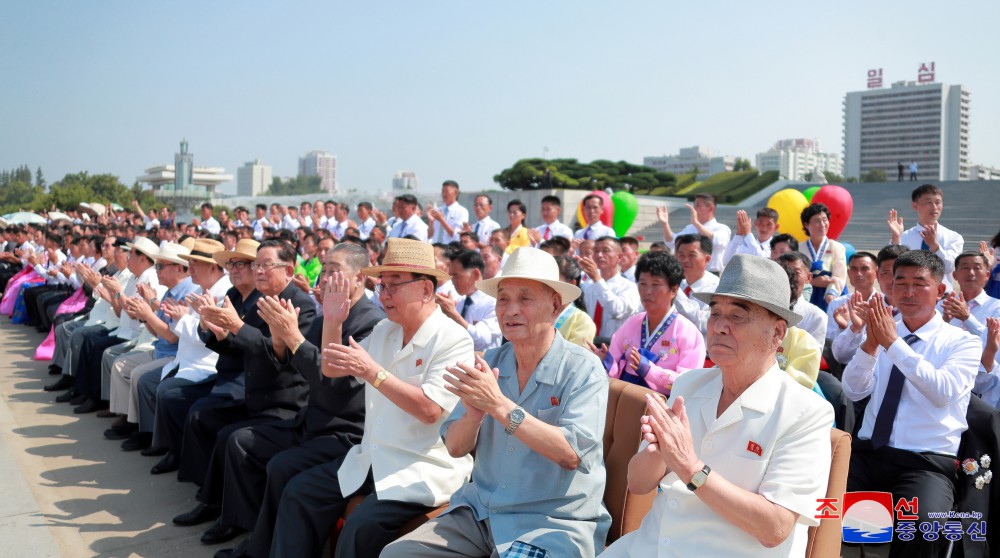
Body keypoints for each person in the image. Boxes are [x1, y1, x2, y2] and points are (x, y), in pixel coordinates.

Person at [383, 246, 611, 557]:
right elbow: (455, 447)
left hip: (550, 523)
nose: (511, 309)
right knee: (397, 554)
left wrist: (500, 406)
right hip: (481, 514)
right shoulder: (490, 362)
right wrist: (473, 416)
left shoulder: (584, 369)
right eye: (503, 298)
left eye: (525, 298)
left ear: (555, 306)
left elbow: (570, 454)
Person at [601, 254, 834, 557]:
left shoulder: (806, 412)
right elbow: (638, 482)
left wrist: (690, 467)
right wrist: (659, 453)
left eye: (738, 316)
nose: (720, 327)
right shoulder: (690, 385)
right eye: (715, 314)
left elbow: (774, 528)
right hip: (651, 546)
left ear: (777, 333)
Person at [264, 238, 475, 558]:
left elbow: (431, 410)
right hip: (373, 456)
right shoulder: (386, 331)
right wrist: (333, 321)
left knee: (360, 527)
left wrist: (374, 373)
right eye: (382, 286)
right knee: (299, 492)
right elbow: (333, 371)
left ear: (426, 290)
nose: (384, 295)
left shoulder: (453, 339)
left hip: (420, 466)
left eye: (394, 286)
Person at [209, 243, 384, 557]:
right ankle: (254, 539)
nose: (327, 278)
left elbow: (335, 385)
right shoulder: (322, 317)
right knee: (244, 443)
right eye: (325, 270)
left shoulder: (370, 323)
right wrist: (279, 341)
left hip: (345, 431)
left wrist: (293, 338)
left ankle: (262, 549)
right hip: (311, 420)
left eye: (336, 272)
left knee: (282, 467)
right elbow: (294, 366)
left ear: (359, 279)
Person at [843, 250, 980, 558]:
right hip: (869, 454)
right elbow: (852, 391)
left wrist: (893, 344)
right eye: (900, 282)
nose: (907, 292)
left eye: (919, 283)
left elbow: (942, 391)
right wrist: (870, 343)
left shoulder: (961, 342)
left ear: (941, 291)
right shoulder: (882, 330)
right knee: (832, 516)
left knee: (920, 525)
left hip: (924, 462)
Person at [172, 240, 316, 530]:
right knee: (204, 416)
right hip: (256, 396)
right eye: (256, 265)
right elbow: (239, 350)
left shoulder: (301, 306)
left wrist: (236, 327)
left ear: (289, 270)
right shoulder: (260, 300)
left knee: (232, 438)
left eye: (265, 265)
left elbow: (282, 359)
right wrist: (214, 329)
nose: (258, 271)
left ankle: (237, 520)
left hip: (285, 406)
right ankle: (212, 500)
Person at [591, 251, 705, 395]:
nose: (647, 291)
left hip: (664, 410)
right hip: (626, 403)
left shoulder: (688, 332)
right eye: (643, 284)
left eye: (656, 284)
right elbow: (615, 363)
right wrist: (606, 361)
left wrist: (650, 371)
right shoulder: (632, 323)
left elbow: (688, 382)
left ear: (674, 290)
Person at [832, 244, 909, 364]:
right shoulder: (870, 310)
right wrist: (856, 328)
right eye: (886, 273)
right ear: (877, 275)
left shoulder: (924, 313)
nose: (891, 280)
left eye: (898, 273)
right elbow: (840, 357)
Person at [888, 184, 963, 290]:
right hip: (910, 295)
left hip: (942, 299)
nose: (934, 207)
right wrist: (896, 238)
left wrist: (935, 247)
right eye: (928, 203)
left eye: (938, 202)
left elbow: (949, 268)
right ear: (915, 206)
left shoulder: (953, 237)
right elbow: (890, 267)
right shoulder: (903, 237)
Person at [436, 249, 501, 352]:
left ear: (475, 273)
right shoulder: (460, 303)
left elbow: (482, 341)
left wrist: (453, 314)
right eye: (451, 277)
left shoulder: (494, 303)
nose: (452, 281)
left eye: (456, 276)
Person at [578, 236, 640, 339]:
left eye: (606, 251)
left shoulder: (629, 287)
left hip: (614, 348)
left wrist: (597, 279)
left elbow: (616, 311)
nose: (599, 255)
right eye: (596, 251)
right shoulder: (587, 286)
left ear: (619, 257)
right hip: (587, 345)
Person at [656, 193, 732, 274]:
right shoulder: (690, 228)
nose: (694, 209)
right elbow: (673, 242)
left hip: (712, 273)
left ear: (711, 208)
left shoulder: (722, 228)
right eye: (694, 205)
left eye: (698, 205)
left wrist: (696, 224)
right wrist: (665, 224)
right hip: (690, 273)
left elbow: (718, 242)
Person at [798, 203, 846, 311]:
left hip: (830, 296)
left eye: (825, 220)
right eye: (817, 221)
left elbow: (840, 277)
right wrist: (812, 282)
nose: (822, 224)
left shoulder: (837, 247)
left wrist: (831, 295)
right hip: (805, 296)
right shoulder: (798, 248)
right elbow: (794, 276)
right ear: (806, 224)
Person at [776, 252, 829, 346]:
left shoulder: (816, 316)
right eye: (785, 272)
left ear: (809, 278)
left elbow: (812, 357)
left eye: (796, 273)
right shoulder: (763, 308)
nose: (789, 277)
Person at [672, 234, 719, 336]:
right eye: (681, 255)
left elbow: (703, 323)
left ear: (707, 259)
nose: (684, 260)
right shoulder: (677, 284)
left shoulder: (717, 288)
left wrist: (674, 291)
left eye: (692, 255)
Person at [553, 255, 596, 347]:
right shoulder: (534, 312)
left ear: (572, 284)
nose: (549, 287)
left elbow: (576, 359)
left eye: (555, 283)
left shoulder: (582, 321)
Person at [427, 180, 468, 244]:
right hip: (435, 247)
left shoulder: (462, 211)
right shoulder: (438, 210)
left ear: (455, 192)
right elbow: (430, 235)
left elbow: (457, 235)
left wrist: (441, 220)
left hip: (450, 249)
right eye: (442, 191)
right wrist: (431, 221)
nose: (444, 194)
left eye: (446, 191)